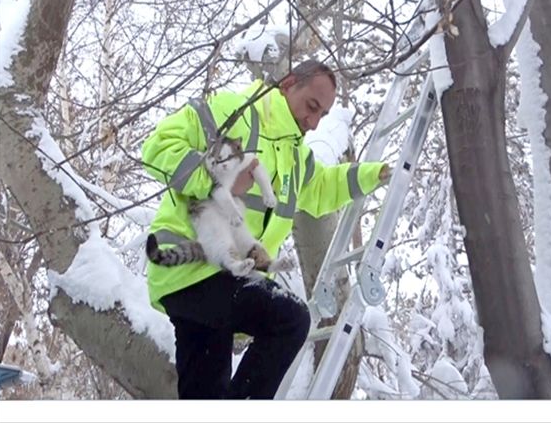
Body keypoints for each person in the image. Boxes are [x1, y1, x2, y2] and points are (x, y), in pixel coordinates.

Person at [141, 60, 389, 399]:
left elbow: (320, 190)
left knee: (204, 394)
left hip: (219, 279)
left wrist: (373, 175)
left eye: (322, 115)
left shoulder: (294, 157)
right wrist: (216, 182)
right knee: (290, 320)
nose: (313, 122)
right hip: (192, 269)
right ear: (288, 84)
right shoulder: (233, 111)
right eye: (311, 107)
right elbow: (158, 147)